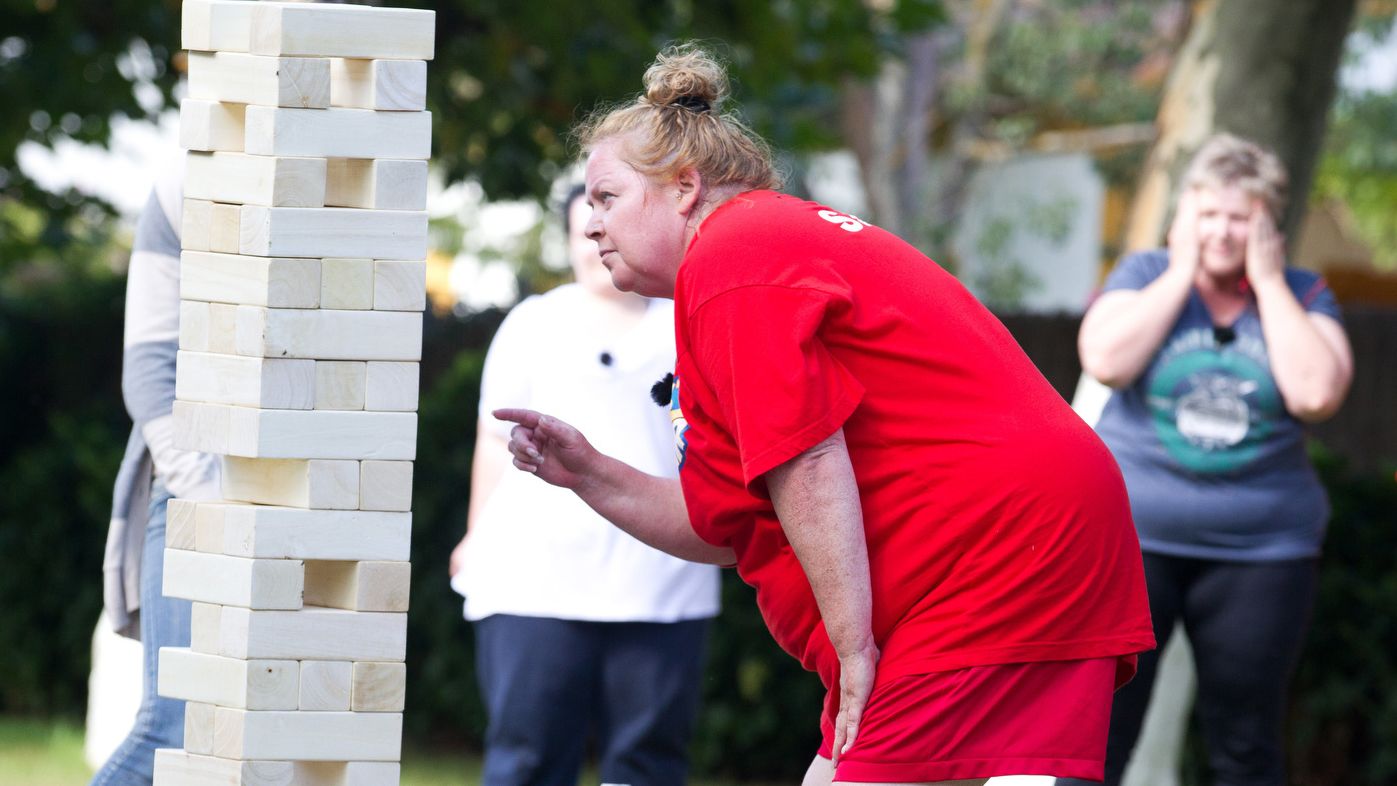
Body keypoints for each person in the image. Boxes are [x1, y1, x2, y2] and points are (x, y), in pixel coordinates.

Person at [495, 44, 1155, 786]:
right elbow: (728, 526)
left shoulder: (733, 255)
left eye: (606, 198)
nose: (589, 224)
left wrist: (852, 651)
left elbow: (806, 457)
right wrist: (590, 472)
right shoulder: (743, 257)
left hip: (996, 555)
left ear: (684, 187)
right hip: (1022, 541)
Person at [1066, 134, 1353, 786]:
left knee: (1244, 743)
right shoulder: (1143, 274)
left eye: (1239, 215)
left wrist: (1270, 282)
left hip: (1260, 553)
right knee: (1096, 736)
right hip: (1132, 543)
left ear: (1267, 223)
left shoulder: (1303, 293)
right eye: (1209, 213)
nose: (1222, 231)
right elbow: (1104, 361)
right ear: (1184, 214)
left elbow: (1314, 393)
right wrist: (1177, 274)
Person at [448, 184, 720, 786]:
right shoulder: (533, 322)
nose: (596, 240)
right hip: (534, 582)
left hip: (663, 580)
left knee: (648, 762)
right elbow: (493, 439)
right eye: (583, 229)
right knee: (528, 759)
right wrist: (474, 535)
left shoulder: (688, 320)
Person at [93, 154, 220, 785]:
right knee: (175, 727)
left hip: (308, 507)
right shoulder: (187, 185)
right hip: (194, 491)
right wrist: (205, 492)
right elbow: (147, 369)